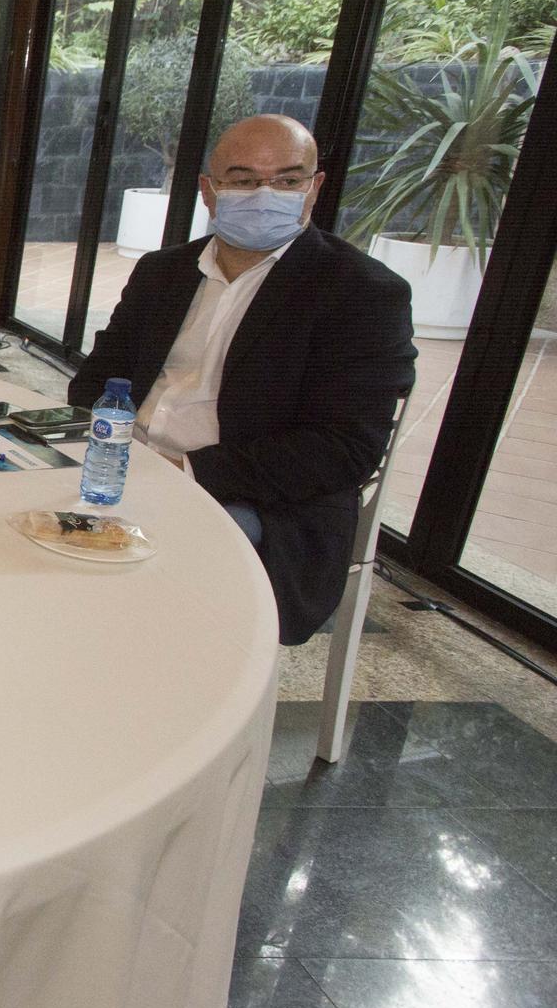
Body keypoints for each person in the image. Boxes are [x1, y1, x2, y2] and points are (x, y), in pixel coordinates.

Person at [69, 113, 415, 646]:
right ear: (210, 191)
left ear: (314, 187)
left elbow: (346, 447)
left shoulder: (361, 293)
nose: (267, 193)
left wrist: (181, 468)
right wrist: (115, 447)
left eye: (288, 180)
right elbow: (95, 378)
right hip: (121, 465)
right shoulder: (163, 272)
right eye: (245, 179)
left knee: (136, 586)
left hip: (252, 498)